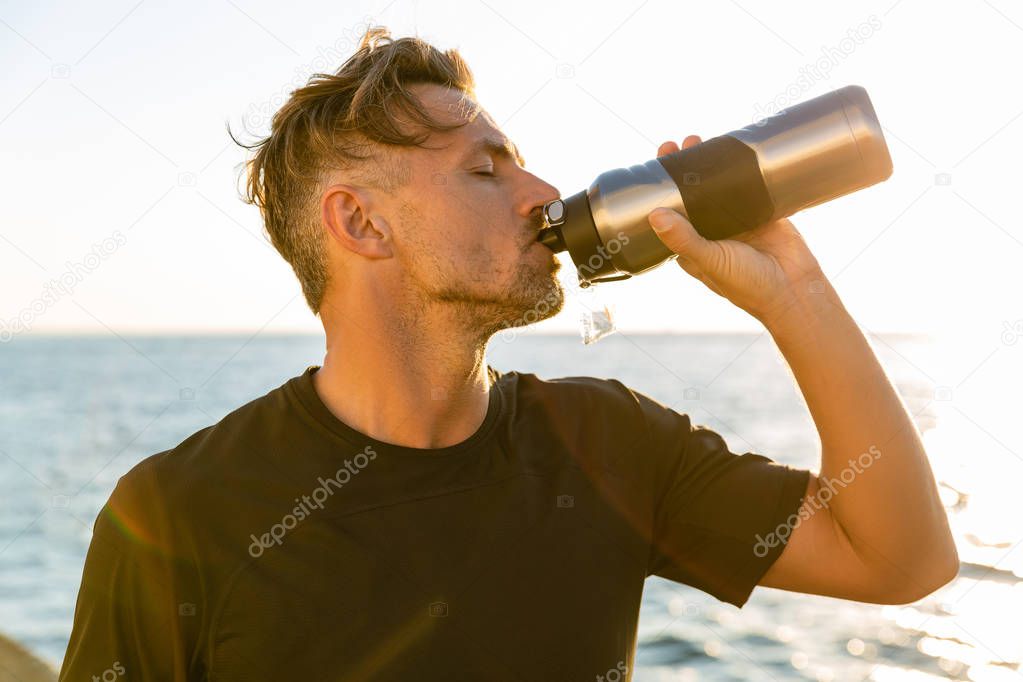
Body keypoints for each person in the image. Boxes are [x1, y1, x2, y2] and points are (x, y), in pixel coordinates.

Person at [59, 26, 958, 681]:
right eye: (485, 170)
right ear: (361, 222)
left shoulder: (606, 442)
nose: (541, 193)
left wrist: (792, 292)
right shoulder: (179, 514)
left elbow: (898, 560)